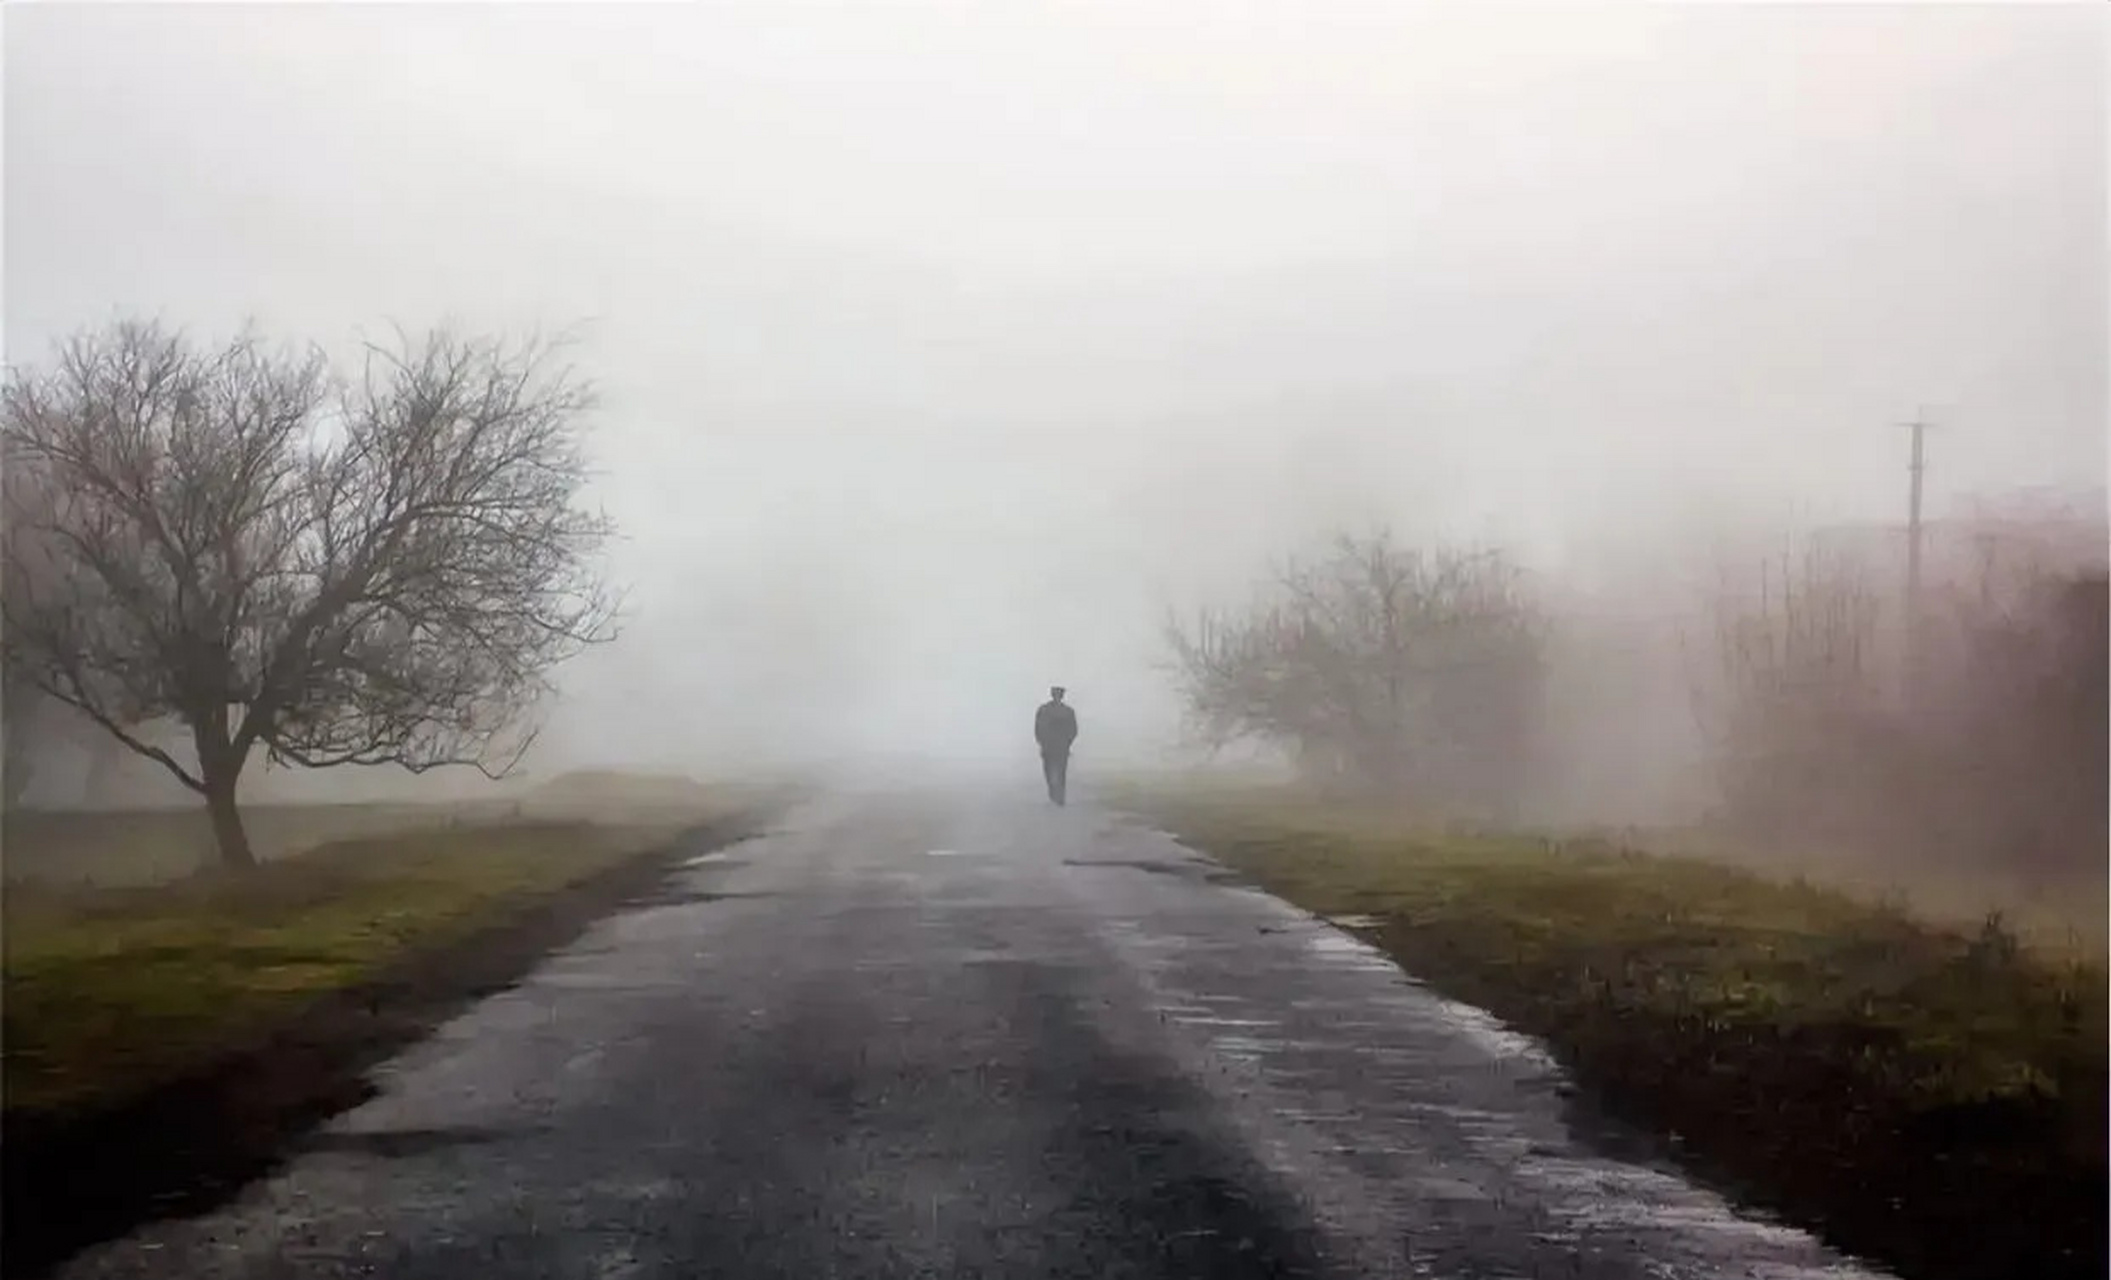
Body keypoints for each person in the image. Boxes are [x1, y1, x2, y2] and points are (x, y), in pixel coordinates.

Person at [1033, 685, 1078, 806]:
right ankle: (1059, 795)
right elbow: (1073, 731)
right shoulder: (1068, 711)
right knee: (1061, 771)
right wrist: (1067, 743)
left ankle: (1054, 793)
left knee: (1049, 770)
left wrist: (1042, 742)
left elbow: (1038, 729)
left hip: (1049, 746)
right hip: (1061, 746)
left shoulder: (1043, 710)